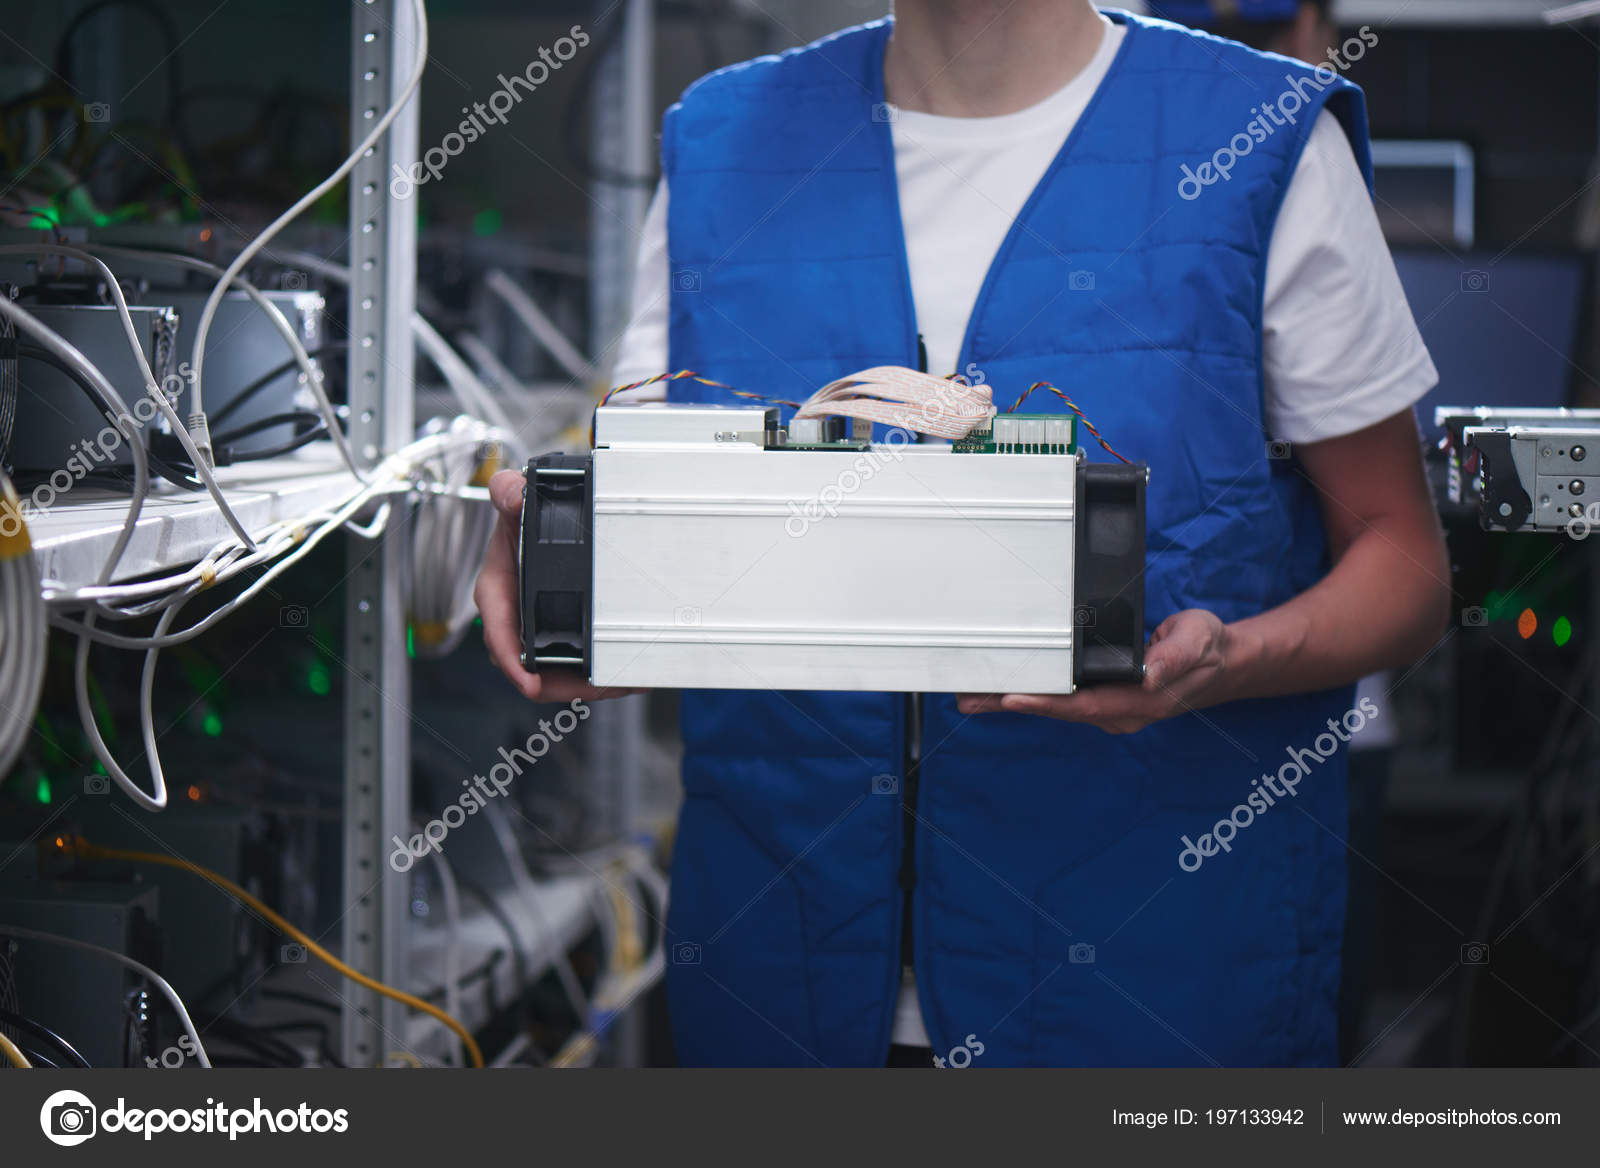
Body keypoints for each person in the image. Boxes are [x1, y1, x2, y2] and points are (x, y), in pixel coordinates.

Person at [474, 0, 1450, 1067]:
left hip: (1149, 985)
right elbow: (655, 513)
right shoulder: (725, 140)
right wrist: (567, 564)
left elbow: (1403, 563)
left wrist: (1230, 661)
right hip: (778, 980)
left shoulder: (1257, 139)